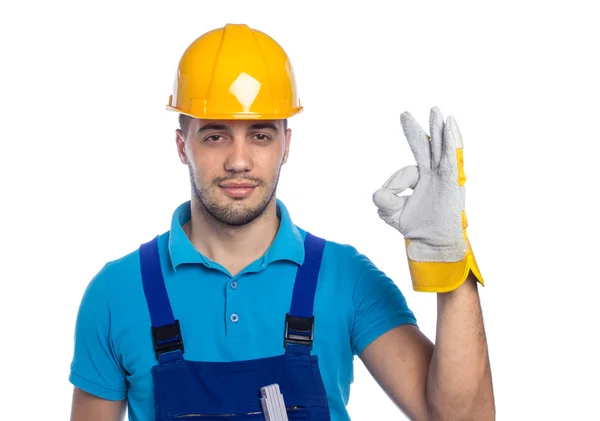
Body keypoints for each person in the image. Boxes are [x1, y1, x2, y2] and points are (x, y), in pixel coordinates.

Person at [68, 23, 495, 421]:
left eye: (260, 134)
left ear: (285, 145)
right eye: (215, 135)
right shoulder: (116, 292)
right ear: (182, 145)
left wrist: (448, 258)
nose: (238, 161)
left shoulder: (345, 278)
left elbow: (463, 418)